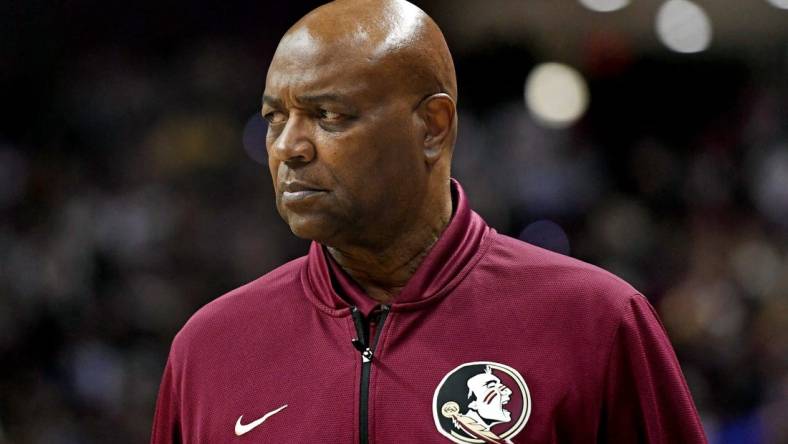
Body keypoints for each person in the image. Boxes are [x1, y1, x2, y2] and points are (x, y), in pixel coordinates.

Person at [151, 0, 707, 443]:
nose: (289, 147)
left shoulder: (597, 322)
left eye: (328, 116)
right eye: (276, 118)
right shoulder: (208, 349)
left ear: (433, 126)